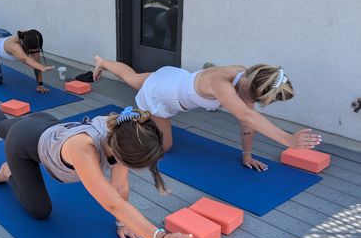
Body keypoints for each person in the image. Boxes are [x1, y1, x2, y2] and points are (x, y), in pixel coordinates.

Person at [0, 90, 199, 238]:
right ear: (120, 153)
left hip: (48, 126)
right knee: (40, 210)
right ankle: (7, 168)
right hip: (24, 143)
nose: (130, 170)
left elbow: (119, 187)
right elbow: (113, 203)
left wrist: (123, 224)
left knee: (3, 124)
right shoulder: (84, 150)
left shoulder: (125, 130)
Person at [93, 59, 322, 171]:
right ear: (252, 91)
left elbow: (247, 121)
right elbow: (247, 116)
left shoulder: (243, 75)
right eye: (257, 101)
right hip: (163, 96)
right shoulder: (220, 84)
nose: (253, 105)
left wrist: (247, 154)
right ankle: (129, 119)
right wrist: (288, 140)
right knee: (165, 148)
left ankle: (102, 62)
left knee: (133, 78)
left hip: (172, 78)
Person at [0, 0, 54, 93]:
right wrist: (42, 67)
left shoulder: (30, 40)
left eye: (37, 50)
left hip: (2, 33)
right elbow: (26, 60)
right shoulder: (14, 46)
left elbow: (35, 62)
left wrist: (40, 85)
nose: (35, 53)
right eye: (33, 51)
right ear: (25, 45)